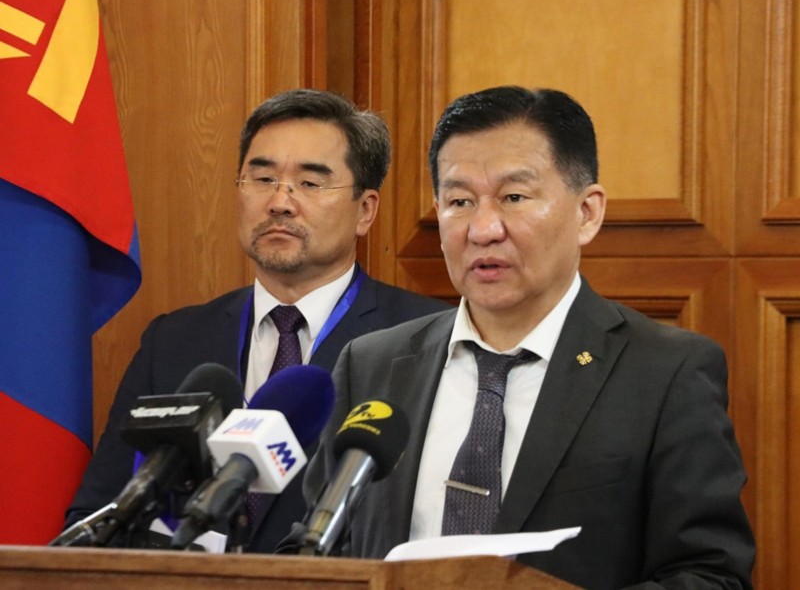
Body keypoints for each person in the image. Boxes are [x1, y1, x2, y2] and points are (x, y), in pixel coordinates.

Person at [305, 86, 755, 588]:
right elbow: (314, 552)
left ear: (587, 213)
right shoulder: (372, 364)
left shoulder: (665, 372)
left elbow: (712, 576)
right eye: (459, 201)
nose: (483, 229)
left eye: (514, 198)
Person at [64, 89, 450, 552]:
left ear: (364, 211)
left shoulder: (427, 340)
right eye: (263, 178)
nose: (280, 202)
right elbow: (99, 517)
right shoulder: (174, 341)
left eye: (310, 183)